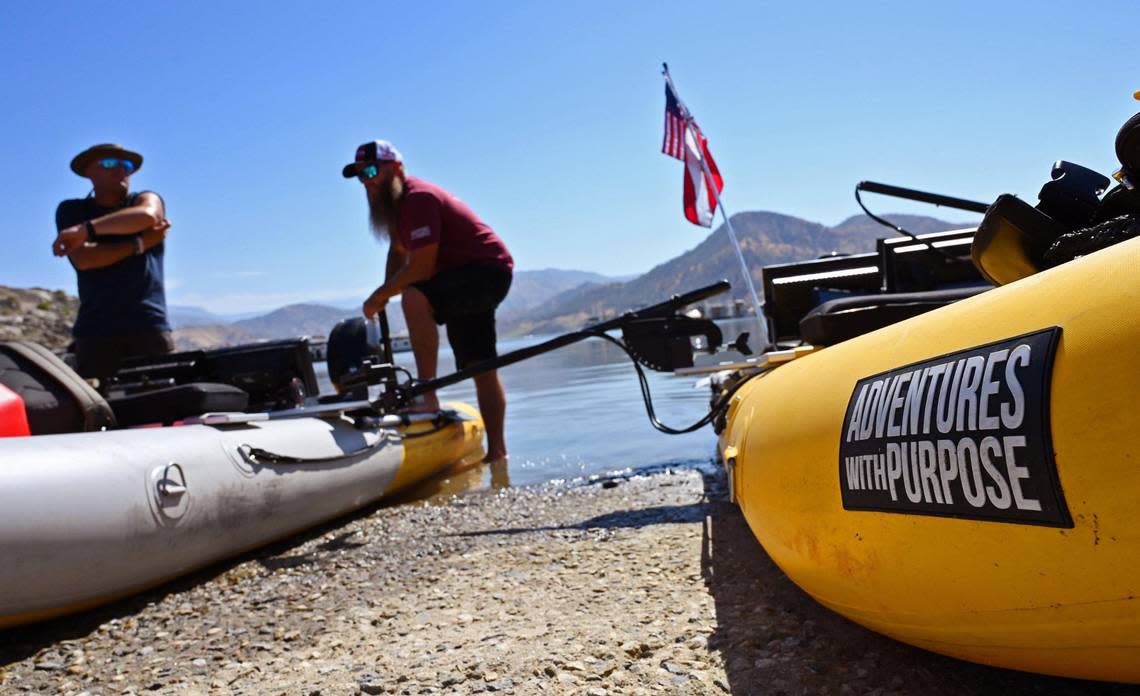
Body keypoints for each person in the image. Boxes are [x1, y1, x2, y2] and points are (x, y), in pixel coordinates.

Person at [344, 140, 513, 463]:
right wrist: (383, 296)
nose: (366, 181)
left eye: (371, 171)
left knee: (414, 296)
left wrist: (378, 297)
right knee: (481, 365)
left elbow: (419, 268)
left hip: (484, 271)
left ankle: (427, 395)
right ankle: (497, 454)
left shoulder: (418, 199)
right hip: (468, 274)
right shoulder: (398, 210)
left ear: (396, 168)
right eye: (359, 177)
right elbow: (398, 252)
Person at [52, 144, 173, 383]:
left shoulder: (145, 199)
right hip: (96, 330)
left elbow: (147, 215)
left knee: (163, 405)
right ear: (89, 173)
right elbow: (86, 259)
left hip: (147, 325)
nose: (120, 170)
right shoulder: (72, 210)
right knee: (97, 410)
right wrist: (140, 243)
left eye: (125, 166)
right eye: (109, 164)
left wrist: (86, 230)